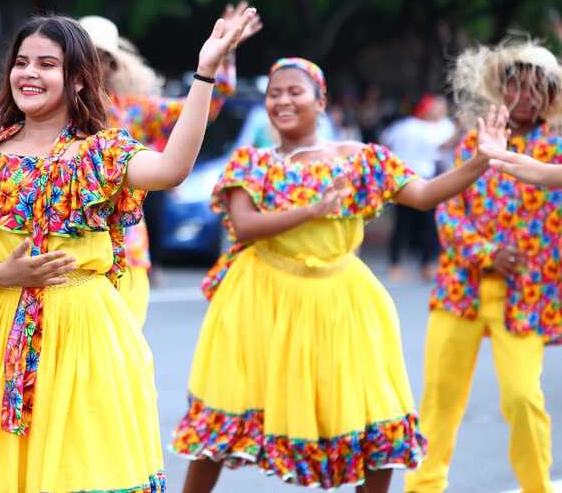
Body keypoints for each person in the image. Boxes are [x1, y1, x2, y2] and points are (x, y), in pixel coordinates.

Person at [0, 10, 254, 492]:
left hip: (80, 332)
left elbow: (171, 169)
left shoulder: (101, 153)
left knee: (74, 470)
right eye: (22, 62)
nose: (29, 74)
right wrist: (7, 275)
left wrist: (205, 73)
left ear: (79, 79)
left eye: (46, 64)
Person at [170, 57, 509, 493]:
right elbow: (245, 225)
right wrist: (309, 211)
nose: (283, 101)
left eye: (295, 91)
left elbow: (424, 195)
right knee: (224, 416)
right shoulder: (252, 163)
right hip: (261, 299)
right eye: (275, 94)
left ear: (321, 100)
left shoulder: (361, 160)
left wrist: (479, 162)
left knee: (371, 413)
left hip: (342, 298)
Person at [405, 41, 562, 493]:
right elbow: (448, 211)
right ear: (502, 89)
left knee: (522, 398)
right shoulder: (475, 141)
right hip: (461, 290)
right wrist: (486, 252)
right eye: (517, 86)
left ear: (550, 96)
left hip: (527, 295)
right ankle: (424, 487)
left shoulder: (555, 149)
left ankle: (538, 487)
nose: (526, 97)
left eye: (537, 89)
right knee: (440, 401)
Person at [79, 2, 262, 326]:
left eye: (98, 56)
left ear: (112, 66)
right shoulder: (42, 116)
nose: (88, 65)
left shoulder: (132, 112)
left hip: (125, 253)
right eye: (80, 54)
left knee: (123, 356)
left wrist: (222, 57)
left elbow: (205, 106)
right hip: (62, 259)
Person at [381, 94, 456, 280]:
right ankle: (396, 264)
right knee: (403, 225)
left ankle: (426, 264)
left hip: (428, 179)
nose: (440, 110)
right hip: (404, 180)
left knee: (428, 225)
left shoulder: (443, 125)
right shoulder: (407, 126)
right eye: (436, 107)